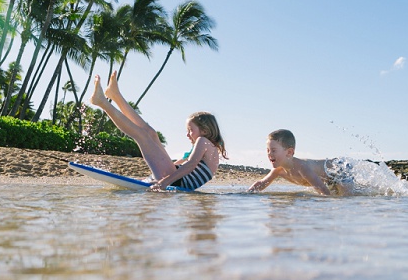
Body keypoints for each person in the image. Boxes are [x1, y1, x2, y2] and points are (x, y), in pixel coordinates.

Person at [88, 70, 224, 191]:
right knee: (151, 133)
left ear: (205, 131)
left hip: (176, 180)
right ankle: (115, 95)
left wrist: (165, 181)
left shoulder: (203, 141)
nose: (187, 134)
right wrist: (153, 177)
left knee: (142, 135)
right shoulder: (208, 146)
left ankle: (102, 102)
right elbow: (185, 163)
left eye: (190, 130)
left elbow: (190, 165)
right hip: (174, 176)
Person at [249, 128, 355, 196]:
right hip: (329, 179)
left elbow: (322, 189)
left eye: (273, 150)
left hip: (340, 168)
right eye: (267, 150)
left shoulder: (302, 168)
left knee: (346, 198)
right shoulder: (277, 170)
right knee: (337, 195)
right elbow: (262, 183)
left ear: (289, 152)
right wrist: (247, 194)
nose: (269, 154)